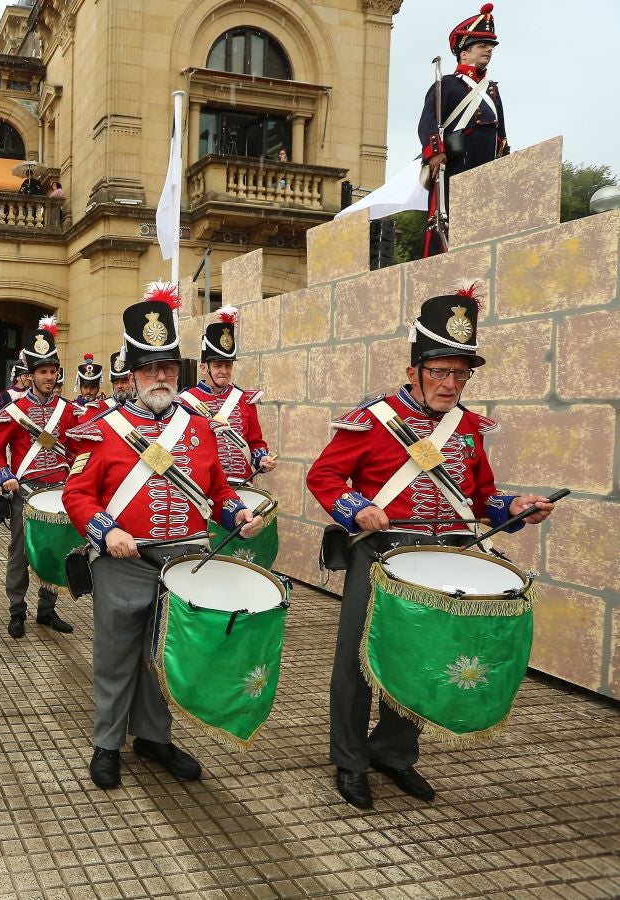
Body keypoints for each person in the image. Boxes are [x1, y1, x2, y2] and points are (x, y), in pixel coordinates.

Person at [307, 283, 555, 810]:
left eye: (460, 372)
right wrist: (356, 509)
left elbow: (481, 496)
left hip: (444, 562)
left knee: (420, 659)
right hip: (381, 556)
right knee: (355, 662)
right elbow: (325, 476)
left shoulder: (468, 427)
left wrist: (513, 507)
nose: (450, 383)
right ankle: (350, 760)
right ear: (413, 368)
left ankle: (394, 754)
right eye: (440, 370)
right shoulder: (373, 420)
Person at [64, 282, 260, 790]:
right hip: (124, 561)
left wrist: (236, 513)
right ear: (132, 373)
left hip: (185, 562)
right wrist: (105, 533)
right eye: (150, 368)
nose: (160, 377)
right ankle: (107, 742)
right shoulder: (101, 430)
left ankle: (155, 736)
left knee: (162, 653)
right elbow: (77, 496)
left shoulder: (198, 429)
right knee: (116, 654)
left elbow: (217, 490)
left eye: (168, 368)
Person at [0, 316, 80, 638]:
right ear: (31, 375)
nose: (49, 377)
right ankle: (17, 611)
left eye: (53, 371)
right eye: (43, 372)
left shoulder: (67, 411)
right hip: (24, 491)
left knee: (55, 550)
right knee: (20, 553)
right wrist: (4, 475)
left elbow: (77, 450)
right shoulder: (15, 411)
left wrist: (76, 479)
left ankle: (47, 610)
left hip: (59, 492)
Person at [419, 3, 508, 256]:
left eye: (490, 46)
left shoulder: (492, 90)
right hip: (457, 167)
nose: (488, 51)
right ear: (463, 53)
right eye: (482, 46)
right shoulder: (448, 85)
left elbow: (501, 134)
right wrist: (435, 152)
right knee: (446, 223)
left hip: (486, 169)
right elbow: (428, 122)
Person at [178, 307, 275, 484]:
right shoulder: (186, 402)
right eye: (217, 365)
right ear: (203, 368)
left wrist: (262, 459)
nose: (224, 371)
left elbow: (255, 441)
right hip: (206, 490)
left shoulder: (244, 399)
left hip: (243, 485)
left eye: (228, 365)